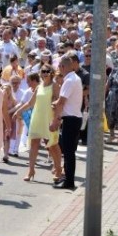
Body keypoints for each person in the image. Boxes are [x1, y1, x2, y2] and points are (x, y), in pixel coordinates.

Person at [12, 67, 63, 182]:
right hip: (37, 117)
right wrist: (18, 111)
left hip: (49, 118)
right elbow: (30, 103)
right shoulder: (39, 87)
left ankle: (59, 169)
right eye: (43, 71)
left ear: (51, 73)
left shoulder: (55, 86)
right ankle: (31, 170)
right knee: (34, 143)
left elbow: (59, 104)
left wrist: (56, 119)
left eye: (47, 71)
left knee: (52, 145)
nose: (45, 74)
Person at [51, 53, 83, 190]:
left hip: (70, 119)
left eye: (59, 66)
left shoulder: (69, 80)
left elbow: (62, 102)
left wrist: (55, 121)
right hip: (73, 118)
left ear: (63, 67)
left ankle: (69, 181)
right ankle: (68, 178)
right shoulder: (74, 78)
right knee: (69, 151)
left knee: (69, 152)